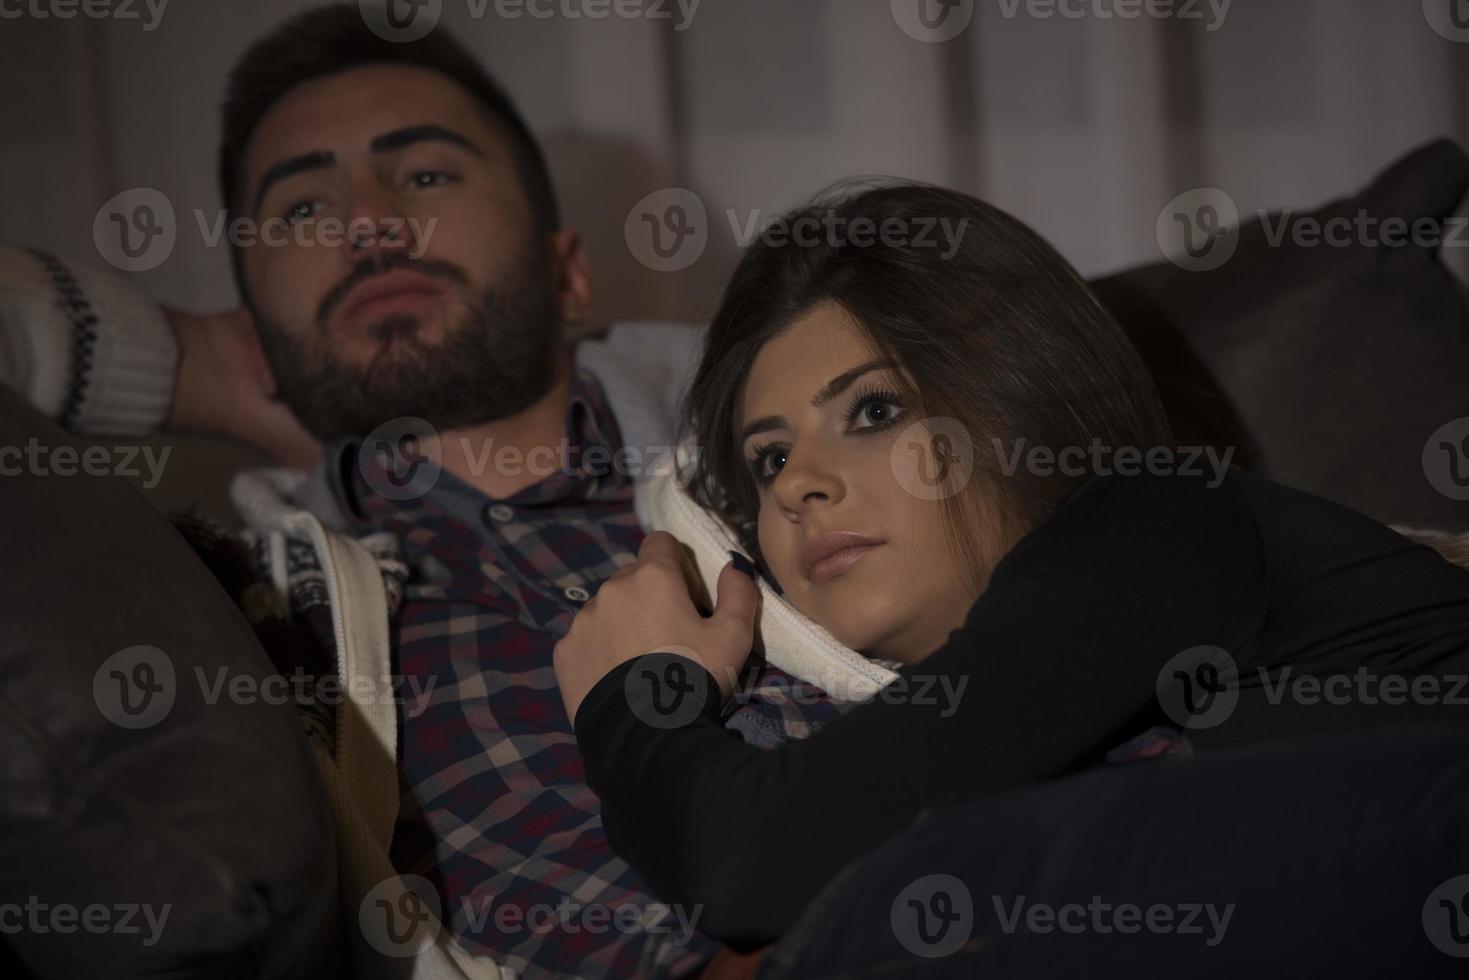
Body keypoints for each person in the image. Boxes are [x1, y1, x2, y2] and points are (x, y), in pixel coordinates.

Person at [0, 6, 844, 977]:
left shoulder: (790, 422)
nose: (369, 221)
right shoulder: (251, 610)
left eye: (427, 174)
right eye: (303, 209)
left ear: (569, 273)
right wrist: (193, 363)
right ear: (254, 330)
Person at [551, 183, 1469, 969]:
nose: (796, 484)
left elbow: (751, 861)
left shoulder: (1157, 516)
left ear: (1016, 409)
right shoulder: (1049, 708)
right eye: (766, 459)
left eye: (874, 409)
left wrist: (633, 699)